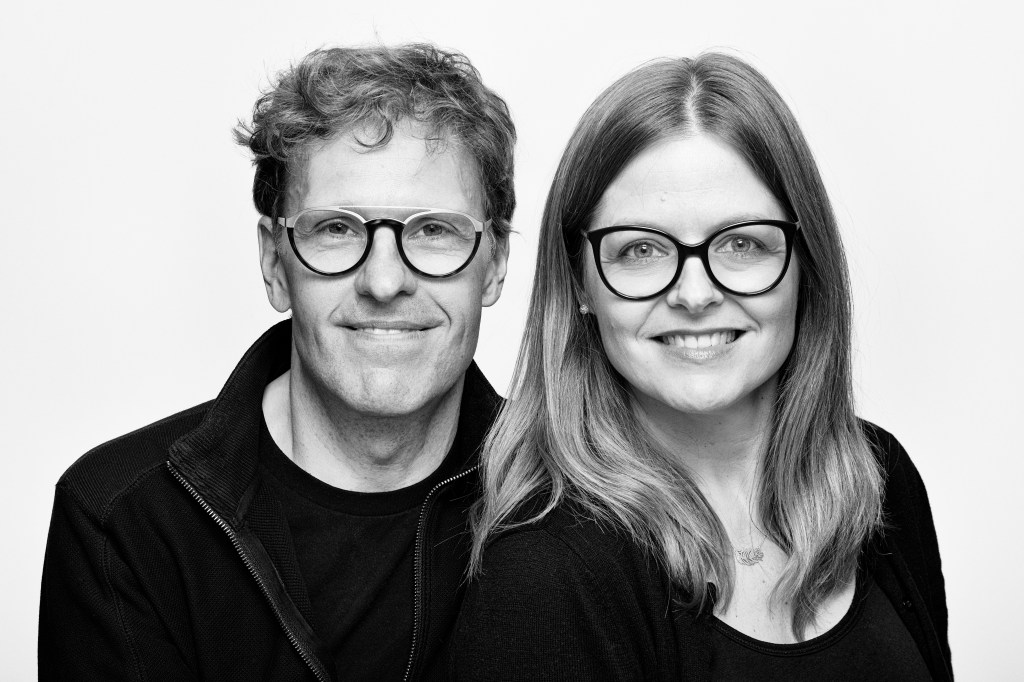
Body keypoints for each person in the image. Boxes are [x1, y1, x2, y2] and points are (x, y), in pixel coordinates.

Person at [451, 53, 950, 681]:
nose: (694, 295)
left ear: (806, 261)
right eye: (641, 249)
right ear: (580, 281)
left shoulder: (879, 478)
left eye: (742, 243)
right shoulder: (544, 577)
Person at [39, 43, 514, 681]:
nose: (383, 282)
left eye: (433, 230)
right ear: (274, 263)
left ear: (496, 262)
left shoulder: (573, 500)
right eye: (337, 229)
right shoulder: (122, 518)